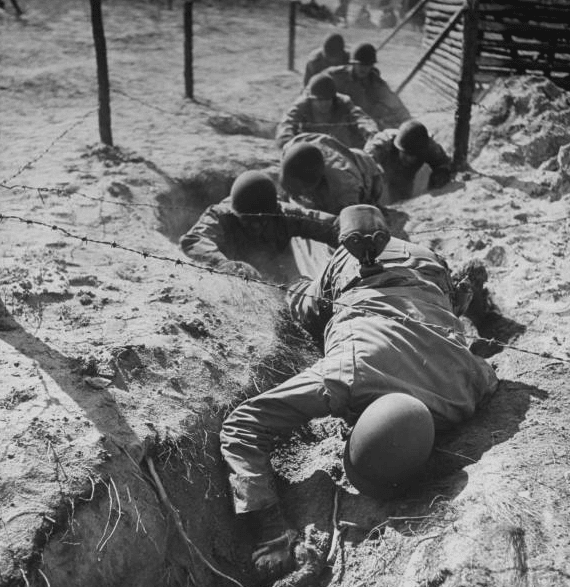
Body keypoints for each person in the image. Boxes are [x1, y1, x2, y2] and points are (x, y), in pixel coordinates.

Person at [220, 205, 498, 582]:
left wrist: (273, 529)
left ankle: (461, 294)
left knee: (314, 298)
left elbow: (244, 424)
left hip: (423, 272)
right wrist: (269, 526)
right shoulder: (457, 391)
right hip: (407, 268)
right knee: (308, 299)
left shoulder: (467, 390)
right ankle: (458, 293)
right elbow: (242, 427)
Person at [179, 171, 339, 283]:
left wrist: (349, 230)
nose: (255, 226)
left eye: (262, 220)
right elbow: (194, 240)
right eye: (248, 221)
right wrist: (224, 264)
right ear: (236, 213)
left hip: (274, 277)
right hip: (231, 280)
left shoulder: (284, 215)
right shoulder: (221, 216)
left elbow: (324, 224)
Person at [279, 132, 384, 215]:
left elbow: (348, 222)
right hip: (346, 156)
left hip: (369, 173)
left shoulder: (344, 188)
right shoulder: (293, 146)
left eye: (301, 191)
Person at [275, 73, 378, 150]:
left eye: (327, 99)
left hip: (340, 149)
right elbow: (287, 123)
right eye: (319, 100)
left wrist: (372, 135)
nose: (323, 104)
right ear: (312, 99)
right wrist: (289, 144)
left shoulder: (343, 102)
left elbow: (362, 119)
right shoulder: (302, 104)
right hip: (308, 149)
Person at [324, 42, 411, 130]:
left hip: (363, 124)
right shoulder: (336, 76)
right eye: (361, 64)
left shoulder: (376, 83)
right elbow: (315, 89)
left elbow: (396, 105)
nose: (364, 68)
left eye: (368, 65)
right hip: (336, 121)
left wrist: (409, 124)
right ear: (353, 63)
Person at [364, 119, 453, 203]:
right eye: (406, 154)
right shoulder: (382, 144)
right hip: (383, 164)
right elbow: (364, 164)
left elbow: (444, 163)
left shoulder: (428, 146)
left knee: (402, 198)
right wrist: (375, 175)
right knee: (365, 126)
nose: (410, 159)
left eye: (414, 155)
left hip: (404, 176)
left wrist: (440, 175)